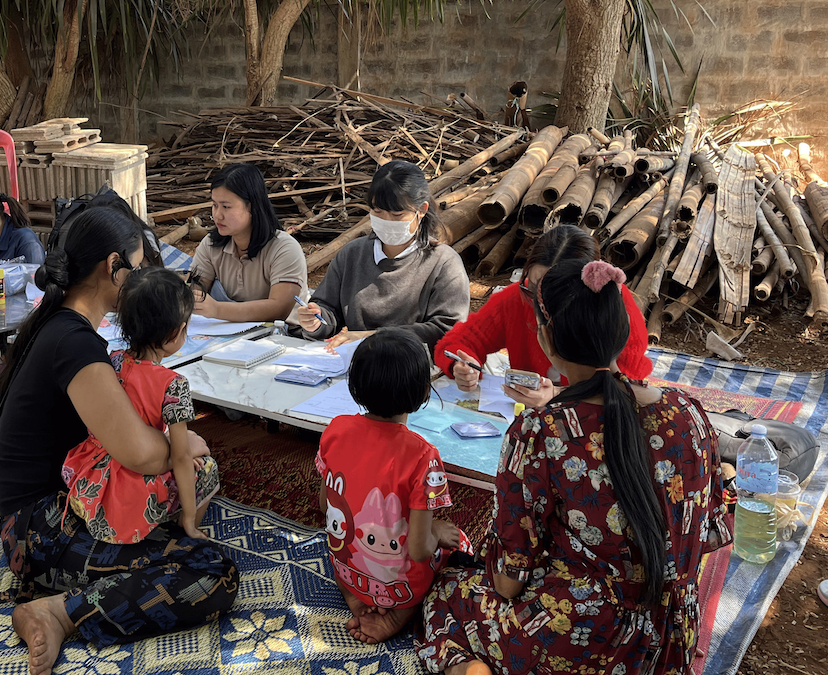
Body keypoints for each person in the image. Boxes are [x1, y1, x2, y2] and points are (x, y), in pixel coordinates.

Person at [415, 259, 731, 675]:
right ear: (621, 332)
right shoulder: (688, 412)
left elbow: (509, 579)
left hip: (578, 638)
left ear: (546, 338)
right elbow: (711, 532)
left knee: (444, 596)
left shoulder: (539, 432)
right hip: (669, 640)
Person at [0, 203, 238, 675]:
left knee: (188, 491)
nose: (142, 279)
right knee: (211, 572)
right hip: (40, 531)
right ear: (112, 268)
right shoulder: (74, 343)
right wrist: (188, 445)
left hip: (51, 511)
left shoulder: (63, 325)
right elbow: (141, 454)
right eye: (138, 266)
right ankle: (58, 611)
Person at [317, 328, 471, 644]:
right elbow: (419, 549)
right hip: (399, 590)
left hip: (347, 572)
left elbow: (325, 505)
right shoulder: (423, 456)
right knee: (461, 544)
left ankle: (355, 599)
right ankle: (401, 613)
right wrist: (437, 533)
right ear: (425, 393)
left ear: (355, 386)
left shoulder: (335, 430)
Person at [62, 266, 216, 543]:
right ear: (177, 332)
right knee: (204, 466)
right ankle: (182, 529)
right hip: (127, 493)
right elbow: (181, 457)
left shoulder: (112, 359)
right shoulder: (173, 384)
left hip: (89, 478)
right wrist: (190, 520)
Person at [434, 224, 652, 408]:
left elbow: (628, 389)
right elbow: (458, 342)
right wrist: (460, 366)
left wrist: (559, 395)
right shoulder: (518, 298)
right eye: (535, 284)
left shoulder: (618, 314)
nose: (540, 301)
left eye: (554, 288)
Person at [299, 161, 470, 349]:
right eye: (377, 212)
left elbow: (447, 329)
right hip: (354, 364)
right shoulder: (352, 254)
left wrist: (373, 337)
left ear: (421, 210)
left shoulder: (443, 263)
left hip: (413, 367)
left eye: (397, 215)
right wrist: (316, 320)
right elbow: (328, 310)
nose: (386, 221)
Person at [188, 163, 308, 324]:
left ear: (251, 206)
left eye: (226, 207)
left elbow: (279, 308)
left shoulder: (284, 248)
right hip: (232, 335)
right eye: (214, 205)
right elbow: (195, 290)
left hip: (287, 336)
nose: (217, 215)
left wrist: (217, 309)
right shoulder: (210, 244)